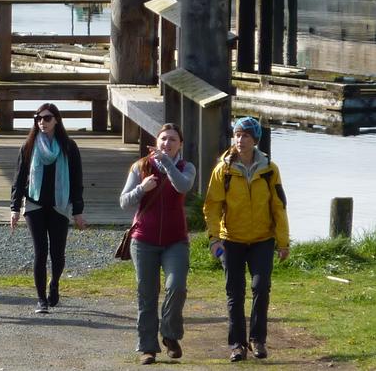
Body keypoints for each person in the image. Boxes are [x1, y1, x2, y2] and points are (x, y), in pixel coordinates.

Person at [204, 116, 290, 363]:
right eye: (237, 135)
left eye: (246, 136)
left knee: (261, 287)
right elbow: (212, 206)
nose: (240, 140)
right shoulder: (223, 170)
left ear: (255, 140)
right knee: (235, 291)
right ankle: (237, 345)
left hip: (263, 239)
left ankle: (258, 340)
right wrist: (214, 238)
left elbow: (278, 206)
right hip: (231, 239)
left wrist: (283, 242)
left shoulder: (270, 169)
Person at [120, 123, 197, 365]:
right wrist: (141, 189)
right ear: (156, 141)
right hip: (143, 240)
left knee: (177, 287)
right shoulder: (141, 166)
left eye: (173, 139)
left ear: (180, 144)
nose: (167, 143)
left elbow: (183, 186)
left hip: (176, 240)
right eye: (163, 138)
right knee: (147, 294)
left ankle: (170, 334)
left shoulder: (186, 167)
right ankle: (147, 348)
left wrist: (167, 164)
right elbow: (124, 201)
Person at [10, 102, 86, 314]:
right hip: (34, 204)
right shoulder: (29, 146)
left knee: (58, 253)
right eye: (38, 118)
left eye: (47, 118)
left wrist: (78, 210)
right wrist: (14, 208)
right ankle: (41, 299)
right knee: (40, 251)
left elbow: (77, 180)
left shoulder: (68, 146)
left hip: (59, 205)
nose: (42, 122)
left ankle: (54, 283)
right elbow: (19, 179)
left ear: (56, 120)